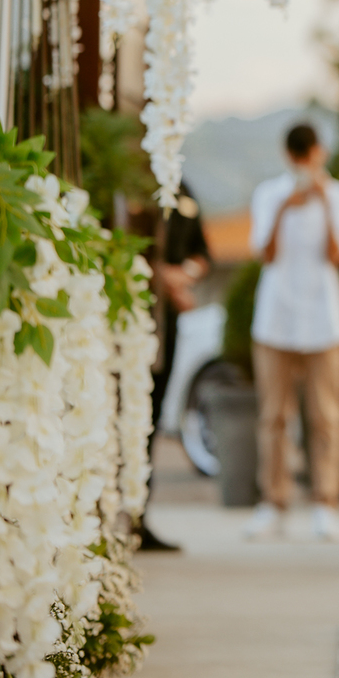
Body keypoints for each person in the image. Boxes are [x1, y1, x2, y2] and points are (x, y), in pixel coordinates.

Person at [245, 122, 339, 542]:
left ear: (320, 153)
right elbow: (265, 253)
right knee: (273, 415)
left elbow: (337, 253)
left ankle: (325, 503)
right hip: (276, 320)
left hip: (324, 322)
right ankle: (272, 502)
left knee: (326, 416)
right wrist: (284, 208)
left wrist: (323, 200)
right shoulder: (268, 194)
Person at [142, 183, 210, 551]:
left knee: (151, 419)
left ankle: (140, 514)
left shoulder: (184, 185)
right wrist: (161, 277)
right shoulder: (130, 179)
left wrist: (184, 274)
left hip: (167, 327)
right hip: (131, 316)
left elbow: (202, 251)